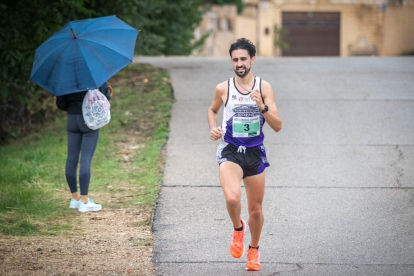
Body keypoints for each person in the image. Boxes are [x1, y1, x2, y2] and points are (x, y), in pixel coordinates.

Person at [207, 38, 282, 271]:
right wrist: (213, 127)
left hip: (255, 153)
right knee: (232, 198)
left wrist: (262, 107)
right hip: (230, 150)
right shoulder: (223, 88)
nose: (239, 63)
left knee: (256, 210)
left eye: (243, 59)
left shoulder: (264, 87)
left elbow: (277, 125)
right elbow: (212, 110)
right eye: (235, 59)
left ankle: (254, 250)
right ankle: (238, 230)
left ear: (252, 59)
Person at [56, 83, 112, 212]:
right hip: (89, 120)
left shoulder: (67, 77)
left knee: (71, 158)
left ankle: (75, 199)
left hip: (72, 119)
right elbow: (105, 98)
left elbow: (61, 104)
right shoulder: (95, 76)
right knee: (85, 159)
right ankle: (85, 201)